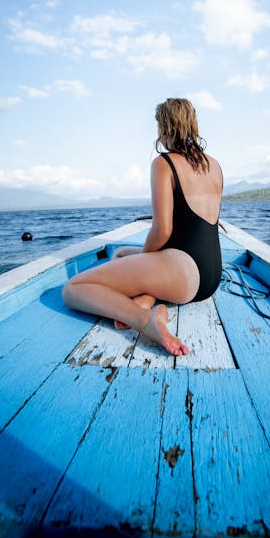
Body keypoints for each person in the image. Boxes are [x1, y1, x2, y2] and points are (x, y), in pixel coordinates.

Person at [62, 98, 223, 356]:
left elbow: (162, 231)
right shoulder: (214, 165)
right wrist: (142, 266)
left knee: (73, 289)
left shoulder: (164, 163)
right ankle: (149, 301)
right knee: (122, 254)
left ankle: (143, 319)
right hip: (212, 276)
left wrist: (146, 262)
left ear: (165, 127)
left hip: (185, 275)